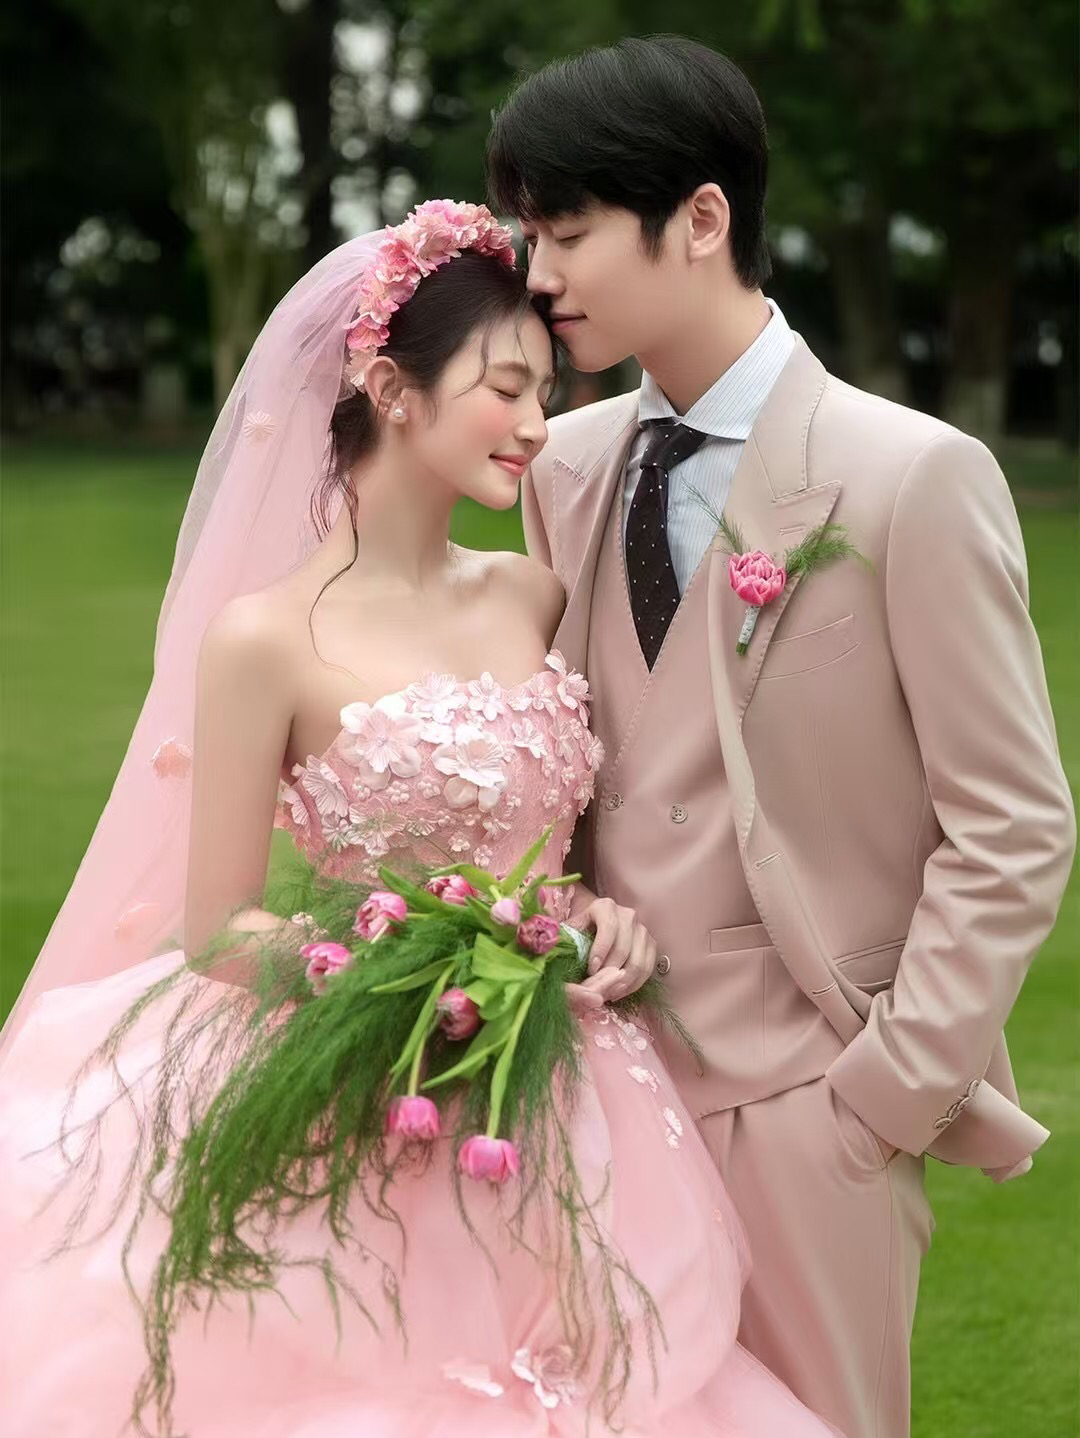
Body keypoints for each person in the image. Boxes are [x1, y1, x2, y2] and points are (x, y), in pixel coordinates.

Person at [0, 202, 839, 1437]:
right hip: (361, 1087)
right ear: (393, 390)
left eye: (547, 390)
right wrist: (389, 976)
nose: (538, 424)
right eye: (506, 388)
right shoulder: (263, 639)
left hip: (563, 1086)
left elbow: (564, 838)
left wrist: (591, 913)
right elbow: (220, 925)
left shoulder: (533, 592)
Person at [486, 36, 1076, 1438]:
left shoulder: (911, 475)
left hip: (812, 1109)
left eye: (568, 231)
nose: (539, 275)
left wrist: (881, 1099)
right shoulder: (564, 469)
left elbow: (1013, 824)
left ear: (701, 219)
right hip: (593, 1099)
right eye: (528, 235)